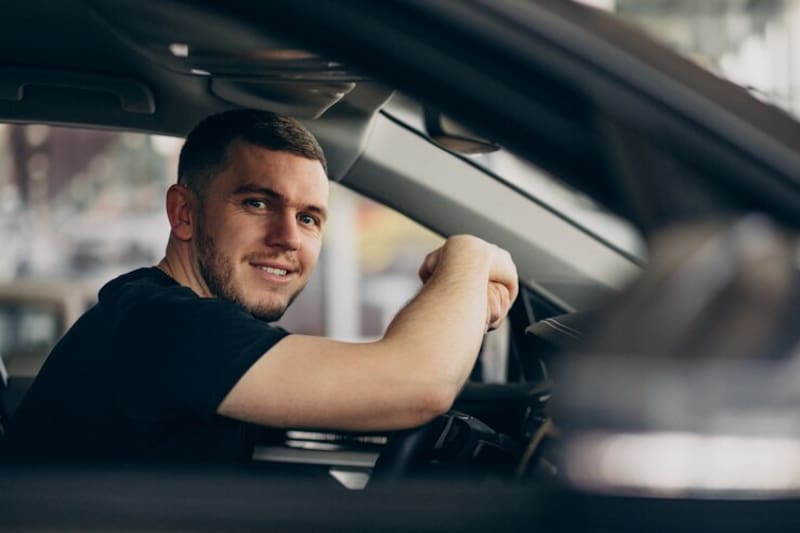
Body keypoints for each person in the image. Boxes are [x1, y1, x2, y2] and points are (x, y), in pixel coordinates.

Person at [2, 109, 518, 463]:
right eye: (257, 203)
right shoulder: (163, 324)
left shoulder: (175, 318)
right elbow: (414, 385)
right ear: (183, 213)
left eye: (310, 218)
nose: (288, 237)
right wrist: (469, 256)